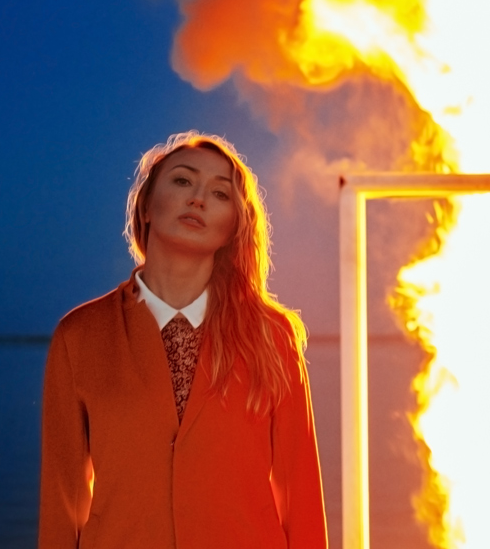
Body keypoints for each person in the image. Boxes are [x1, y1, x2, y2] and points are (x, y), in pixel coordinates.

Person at [38, 132, 328, 548]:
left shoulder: (271, 336)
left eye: (220, 193)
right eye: (182, 181)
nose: (199, 199)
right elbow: (61, 502)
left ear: (233, 227)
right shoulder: (80, 336)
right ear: (147, 205)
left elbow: (301, 496)